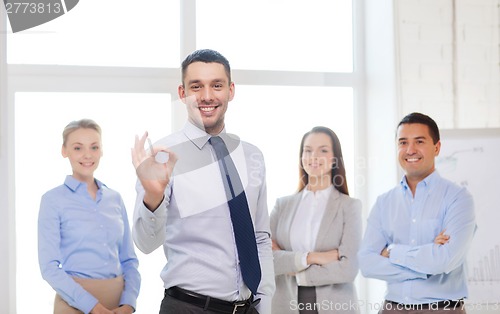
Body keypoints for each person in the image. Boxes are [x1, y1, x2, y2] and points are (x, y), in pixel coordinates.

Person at [131, 49, 275, 314]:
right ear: (182, 93)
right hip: (188, 307)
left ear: (230, 90)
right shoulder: (162, 158)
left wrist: (264, 304)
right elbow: (145, 243)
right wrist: (153, 197)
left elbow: (260, 237)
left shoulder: (252, 156)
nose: (207, 96)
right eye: (196, 86)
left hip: (249, 308)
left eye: (216, 85)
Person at [358, 112, 476, 314]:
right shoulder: (384, 202)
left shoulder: (458, 198)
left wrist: (393, 252)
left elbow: (445, 260)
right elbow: (367, 264)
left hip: (442, 309)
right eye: (403, 142)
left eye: (419, 141)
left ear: (437, 148)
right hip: (391, 308)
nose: (410, 150)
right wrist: (427, 265)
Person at [38, 119, 141, 314]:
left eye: (94, 147)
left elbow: (129, 260)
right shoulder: (52, 200)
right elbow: (49, 267)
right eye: (78, 148)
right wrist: (93, 307)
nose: (87, 155)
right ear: (64, 150)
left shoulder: (115, 199)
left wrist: (129, 303)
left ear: (101, 150)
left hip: (119, 305)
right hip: (74, 304)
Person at [270, 126, 362, 314]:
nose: (314, 156)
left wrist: (295, 271)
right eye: (308, 150)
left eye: (323, 150)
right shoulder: (282, 206)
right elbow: (265, 258)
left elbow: (349, 268)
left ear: (335, 158)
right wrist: (312, 258)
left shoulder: (349, 206)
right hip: (286, 306)